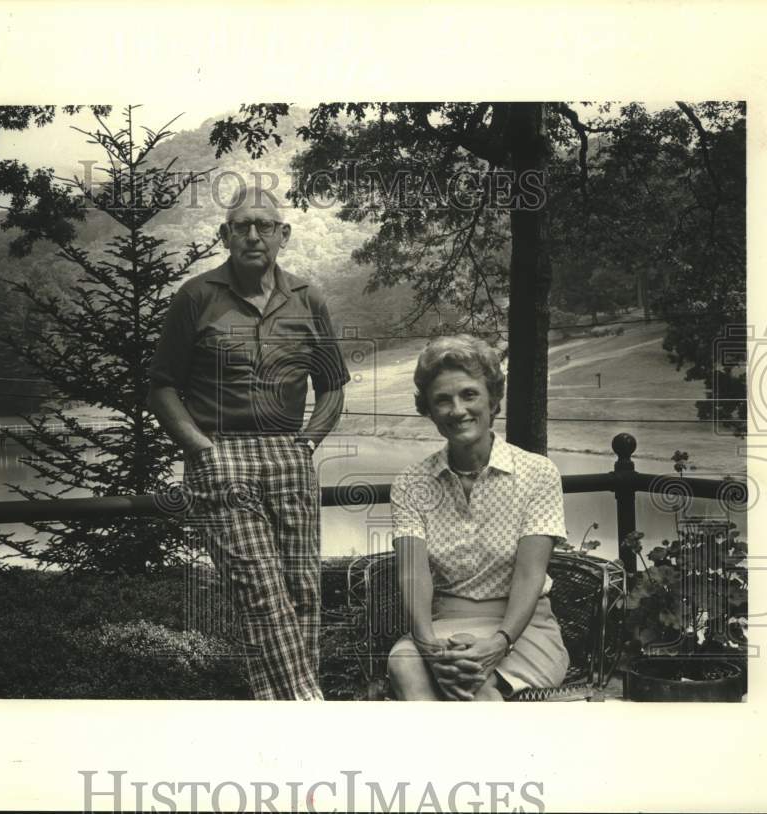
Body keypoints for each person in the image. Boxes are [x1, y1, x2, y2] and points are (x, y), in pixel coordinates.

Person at [147, 184, 350, 700]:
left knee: (303, 593)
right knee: (261, 590)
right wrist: (200, 449)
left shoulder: (309, 298)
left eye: (265, 226)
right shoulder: (196, 297)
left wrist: (307, 444)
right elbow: (161, 386)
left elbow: (332, 386)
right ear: (225, 236)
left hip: (290, 453)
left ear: (284, 235)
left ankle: (280, 717)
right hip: (221, 455)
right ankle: (309, 706)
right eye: (242, 226)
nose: (253, 235)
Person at [386, 335, 569, 701]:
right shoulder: (410, 483)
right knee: (404, 660)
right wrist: (427, 645)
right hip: (443, 625)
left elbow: (531, 574)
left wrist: (499, 642)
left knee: (479, 690)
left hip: (521, 628)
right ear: (430, 411)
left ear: (493, 400)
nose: (457, 410)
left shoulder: (538, 473)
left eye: (469, 395)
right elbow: (413, 572)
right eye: (442, 400)